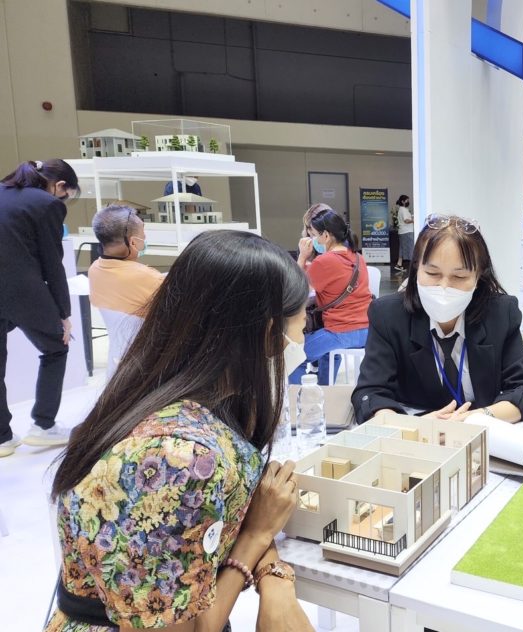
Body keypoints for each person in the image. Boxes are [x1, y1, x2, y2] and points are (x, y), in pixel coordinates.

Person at [45, 230, 314, 631]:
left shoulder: (163, 397)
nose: (302, 338)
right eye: (301, 325)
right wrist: (257, 536)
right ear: (267, 332)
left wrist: (273, 573)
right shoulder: (179, 458)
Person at [353, 214, 523, 424]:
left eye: (459, 277)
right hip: (416, 436)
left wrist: (478, 418)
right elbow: (369, 395)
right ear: (416, 268)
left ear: (478, 276)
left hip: (481, 433)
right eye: (432, 273)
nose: (444, 287)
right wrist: (413, 426)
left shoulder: (501, 313)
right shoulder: (388, 315)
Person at [0, 159, 79, 457]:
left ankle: (2, 438)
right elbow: (52, 263)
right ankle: (43, 426)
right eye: (67, 194)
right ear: (59, 186)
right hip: (22, 289)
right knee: (56, 347)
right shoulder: (47, 204)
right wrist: (63, 314)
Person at [294, 208, 372, 384]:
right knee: (327, 351)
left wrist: (302, 257)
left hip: (341, 331)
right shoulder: (358, 257)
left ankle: (298, 397)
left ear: (326, 236)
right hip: (367, 330)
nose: (313, 240)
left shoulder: (324, 261)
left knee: (294, 357)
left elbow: (296, 288)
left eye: (314, 235)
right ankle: (325, 389)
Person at [87, 205, 165, 317]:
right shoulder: (149, 278)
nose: (144, 238)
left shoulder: (94, 269)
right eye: (143, 236)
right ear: (133, 243)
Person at [394, 194, 414, 273]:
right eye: (407, 200)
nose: (408, 202)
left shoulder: (401, 209)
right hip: (407, 231)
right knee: (410, 248)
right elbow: (406, 220)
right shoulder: (403, 210)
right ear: (403, 201)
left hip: (402, 231)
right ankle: (413, 267)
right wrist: (414, 220)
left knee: (402, 248)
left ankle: (399, 264)